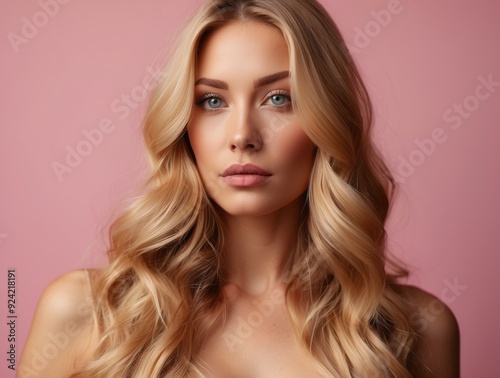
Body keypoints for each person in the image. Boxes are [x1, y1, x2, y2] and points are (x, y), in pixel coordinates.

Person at [19, 0, 460, 377]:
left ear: (328, 119)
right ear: (182, 125)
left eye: (279, 98)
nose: (242, 135)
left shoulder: (419, 328)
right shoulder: (82, 312)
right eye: (213, 101)